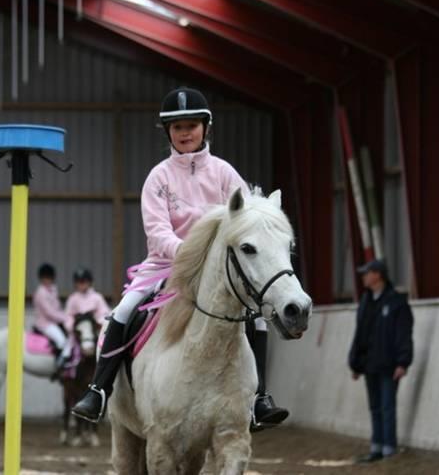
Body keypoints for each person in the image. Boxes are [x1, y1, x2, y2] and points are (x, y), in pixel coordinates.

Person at [71, 86, 289, 430]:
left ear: (205, 127)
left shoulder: (224, 174)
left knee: (257, 318)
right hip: (167, 266)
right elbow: (157, 232)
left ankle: (259, 398)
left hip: (220, 271)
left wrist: (216, 260)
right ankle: (98, 389)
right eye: (177, 127)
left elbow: (246, 224)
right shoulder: (158, 178)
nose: (185, 133)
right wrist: (190, 255)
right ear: (168, 132)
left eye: (191, 125)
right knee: (124, 310)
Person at [348, 259, 414, 462]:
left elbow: (404, 334)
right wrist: (356, 363)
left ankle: (389, 449)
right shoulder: (366, 302)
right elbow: (360, 334)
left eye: (367, 273)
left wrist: (402, 362)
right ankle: (376, 448)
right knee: (375, 407)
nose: (364, 277)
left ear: (377, 275)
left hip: (388, 366)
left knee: (387, 407)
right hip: (369, 365)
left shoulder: (397, 302)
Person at [32, 263, 69, 368]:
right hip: (45, 323)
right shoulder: (40, 293)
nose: (47, 280)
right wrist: (66, 317)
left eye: (49, 278)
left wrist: (65, 315)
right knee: (61, 340)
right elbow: (49, 312)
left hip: (54, 321)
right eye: (45, 278)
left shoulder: (53, 289)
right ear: (41, 279)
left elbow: (57, 307)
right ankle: (59, 364)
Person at [64, 267, 110, 333]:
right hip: (77, 334)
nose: (81, 284)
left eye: (83, 281)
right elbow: (68, 316)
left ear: (89, 282)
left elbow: (105, 313)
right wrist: (72, 326)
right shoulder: (72, 298)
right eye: (79, 282)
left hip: (94, 332)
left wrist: (97, 322)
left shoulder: (97, 297)